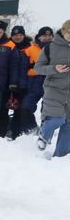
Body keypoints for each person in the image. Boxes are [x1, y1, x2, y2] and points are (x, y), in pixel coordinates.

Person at [34, 20, 70, 157]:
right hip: (54, 88)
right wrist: (54, 69)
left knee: (68, 125)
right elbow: (38, 68)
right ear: (63, 31)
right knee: (57, 119)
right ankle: (44, 135)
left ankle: (60, 157)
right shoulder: (50, 48)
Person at [0, 26, 39, 138]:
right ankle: (3, 130)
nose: (18, 37)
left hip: (23, 84)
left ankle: (16, 132)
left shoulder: (30, 47)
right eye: (15, 35)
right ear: (11, 36)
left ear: (24, 35)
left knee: (19, 109)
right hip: (6, 82)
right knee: (3, 108)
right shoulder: (7, 46)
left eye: (20, 35)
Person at [22, 26, 56, 133]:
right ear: (39, 37)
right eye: (44, 36)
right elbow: (23, 68)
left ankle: (44, 132)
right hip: (34, 84)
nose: (47, 38)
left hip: (51, 84)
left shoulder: (59, 50)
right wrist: (37, 71)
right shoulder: (30, 49)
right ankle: (32, 128)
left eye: (49, 36)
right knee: (25, 107)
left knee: (47, 111)